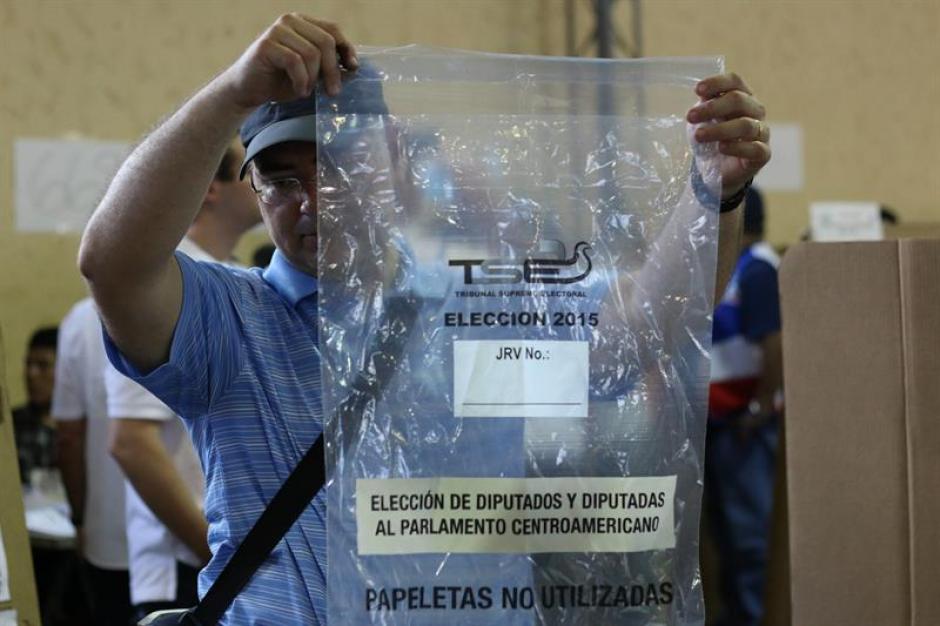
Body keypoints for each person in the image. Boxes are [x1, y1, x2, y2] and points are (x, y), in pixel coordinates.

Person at [78, 13, 772, 624]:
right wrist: (231, 93)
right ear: (253, 191)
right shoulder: (232, 324)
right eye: (281, 180)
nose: (314, 199)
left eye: (341, 163)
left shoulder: (475, 305)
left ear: (398, 162)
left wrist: (715, 191)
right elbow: (113, 265)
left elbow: (642, 327)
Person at [100, 143, 259, 622]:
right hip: (190, 562)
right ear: (211, 189)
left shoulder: (236, 277)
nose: (264, 180)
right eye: (251, 169)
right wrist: (227, 559)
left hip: (233, 557)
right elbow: (131, 442)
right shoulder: (167, 285)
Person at [705, 187, 783, 626]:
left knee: (750, 536)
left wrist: (759, 408)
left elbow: (774, 343)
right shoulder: (733, 268)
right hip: (720, 425)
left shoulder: (758, 269)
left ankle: (754, 616)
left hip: (746, 428)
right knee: (727, 534)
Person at [53, 298, 133, 625]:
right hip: (192, 534)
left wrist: (80, 518)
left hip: (108, 533)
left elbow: (69, 437)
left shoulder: (79, 320)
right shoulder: (201, 295)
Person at [13, 326, 59, 485]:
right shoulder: (13, 428)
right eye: (28, 364)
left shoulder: (84, 429)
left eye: (43, 365)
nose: (31, 374)